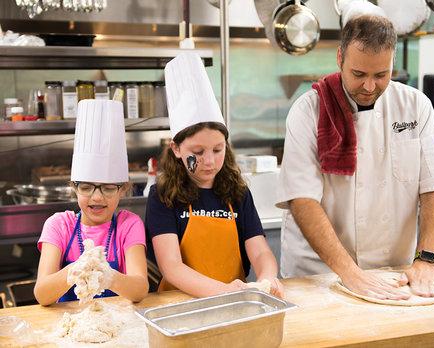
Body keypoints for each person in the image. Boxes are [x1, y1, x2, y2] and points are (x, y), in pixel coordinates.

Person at [276, 8, 434, 301]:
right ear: (340, 59)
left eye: (381, 75)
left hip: (394, 271)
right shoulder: (308, 110)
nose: (370, 86)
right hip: (318, 274)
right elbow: (302, 199)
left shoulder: (415, 106)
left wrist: (427, 258)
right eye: (358, 74)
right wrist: (350, 272)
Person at [146, 52, 283, 298]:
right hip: (179, 304)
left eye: (218, 149)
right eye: (197, 152)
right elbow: (172, 267)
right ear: (176, 149)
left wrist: (267, 277)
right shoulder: (163, 195)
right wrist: (223, 291)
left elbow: (260, 252)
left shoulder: (237, 192)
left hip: (233, 301)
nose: (209, 161)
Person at [34, 100, 149, 305]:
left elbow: (140, 289)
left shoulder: (128, 224)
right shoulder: (60, 225)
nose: (97, 197)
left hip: (116, 325)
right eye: (86, 187)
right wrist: (79, 267)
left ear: (122, 189)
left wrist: (108, 275)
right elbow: (42, 294)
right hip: (69, 327)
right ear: (74, 188)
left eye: (108, 187)